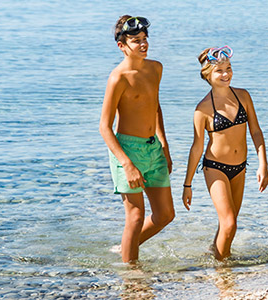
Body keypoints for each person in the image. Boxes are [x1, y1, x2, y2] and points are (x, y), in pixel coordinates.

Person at [179, 46, 268, 261]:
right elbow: (196, 148)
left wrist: (263, 164)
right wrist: (187, 184)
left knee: (228, 223)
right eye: (219, 71)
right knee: (229, 224)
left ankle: (215, 256)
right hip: (215, 168)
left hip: (240, 167)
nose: (226, 74)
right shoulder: (202, 109)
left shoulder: (243, 96)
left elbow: (256, 131)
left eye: (228, 68)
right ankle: (223, 272)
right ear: (207, 75)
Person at [100, 15, 174, 264]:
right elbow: (104, 127)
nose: (143, 44)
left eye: (145, 39)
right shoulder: (118, 77)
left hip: (153, 147)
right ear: (122, 46)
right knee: (135, 216)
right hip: (127, 151)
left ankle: (125, 247)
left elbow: (155, 107)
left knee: (165, 214)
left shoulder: (156, 68)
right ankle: (131, 275)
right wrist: (127, 164)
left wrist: (164, 145)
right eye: (136, 41)